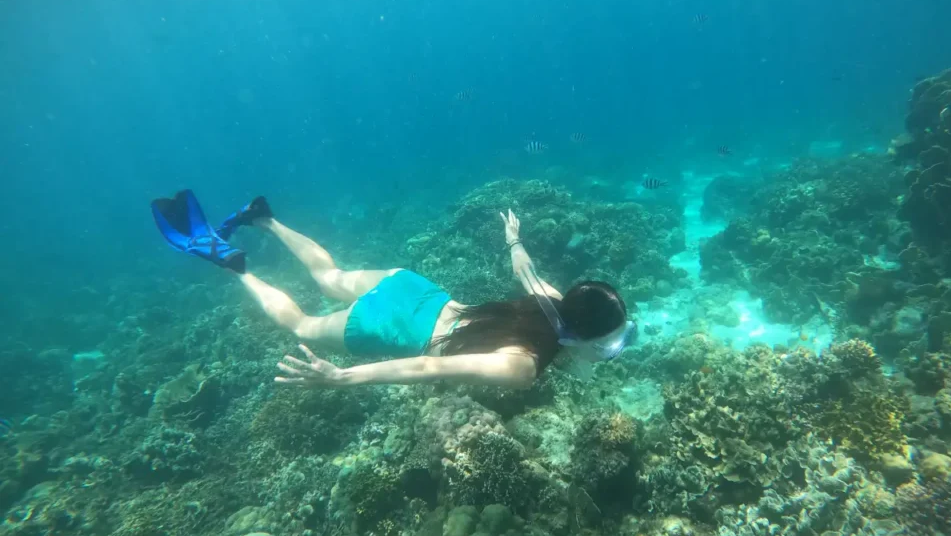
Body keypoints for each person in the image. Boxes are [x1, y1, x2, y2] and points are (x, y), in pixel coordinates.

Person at [150, 190, 636, 389]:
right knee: (302, 323)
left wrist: (514, 237)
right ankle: (234, 267)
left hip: (417, 290)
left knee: (330, 278)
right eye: (610, 343)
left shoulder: (553, 299)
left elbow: (523, 268)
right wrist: (342, 378)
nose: (612, 351)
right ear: (580, 336)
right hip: (397, 326)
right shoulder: (523, 366)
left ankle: (264, 219)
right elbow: (428, 365)